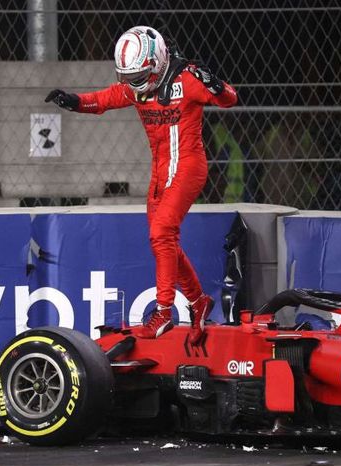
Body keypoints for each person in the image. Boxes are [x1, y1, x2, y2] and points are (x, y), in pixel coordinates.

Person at [45, 26, 238, 344]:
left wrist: (214, 84)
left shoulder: (187, 79)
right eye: (129, 77)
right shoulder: (138, 88)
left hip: (188, 168)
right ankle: (198, 301)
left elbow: (229, 99)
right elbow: (104, 99)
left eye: (139, 76)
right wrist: (74, 102)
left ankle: (163, 312)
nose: (134, 83)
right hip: (160, 173)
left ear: (157, 61)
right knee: (164, 242)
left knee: (161, 233)